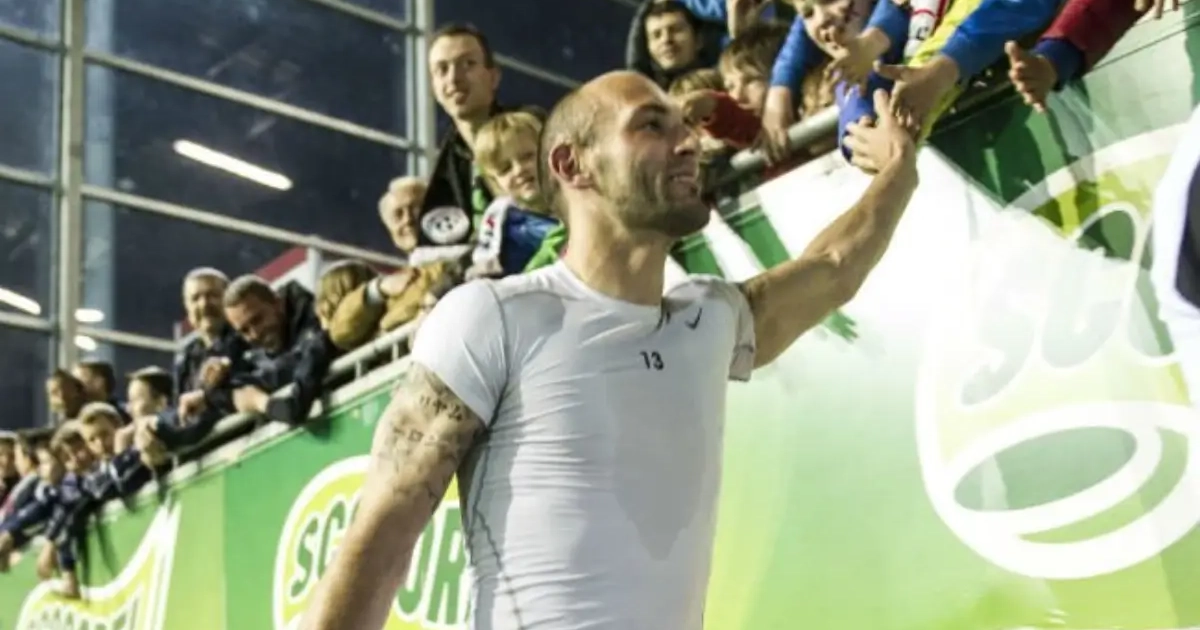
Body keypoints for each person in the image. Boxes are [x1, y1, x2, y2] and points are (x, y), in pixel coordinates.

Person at [299, 70, 918, 629]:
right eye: (651, 126)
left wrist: (900, 168)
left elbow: (834, 266)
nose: (689, 143)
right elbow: (379, 539)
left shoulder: (708, 319)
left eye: (686, 128)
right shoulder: (495, 316)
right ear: (573, 165)